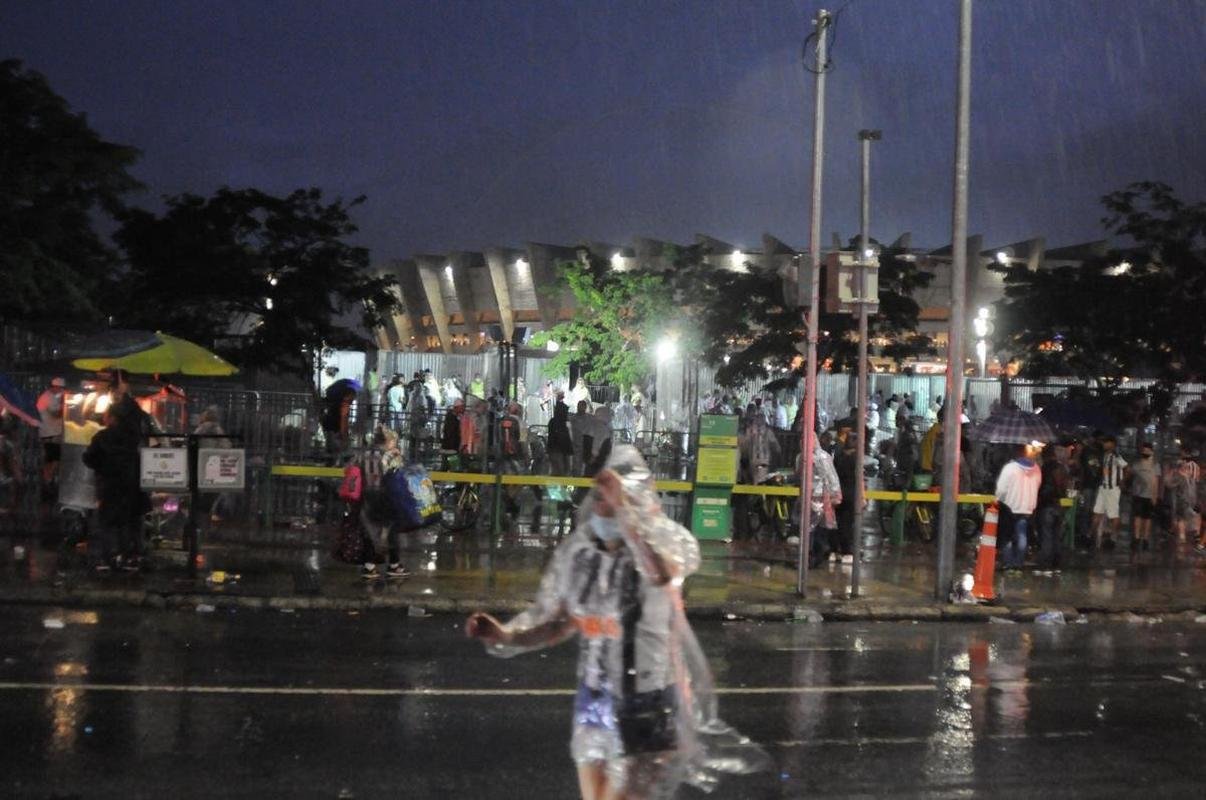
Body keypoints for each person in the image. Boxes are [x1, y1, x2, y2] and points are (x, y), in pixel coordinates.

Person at [465, 447, 766, 799]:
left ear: (636, 503)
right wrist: (505, 635)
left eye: (610, 499)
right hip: (594, 700)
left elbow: (662, 574)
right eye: (599, 499)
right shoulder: (581, 556)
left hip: (650, 702)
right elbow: (560, 622)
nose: (600, 506)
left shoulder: (664, 542)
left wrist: (625, 513)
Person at [82, 402, 148, 573]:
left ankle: (108, 557)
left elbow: (88, 458)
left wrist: (103, 467)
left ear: (113, 417)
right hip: (132, 486)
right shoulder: (135, 437)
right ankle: (129, 558)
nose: (103, 417)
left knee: (107, 522)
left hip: (110, 485)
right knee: (129, 521)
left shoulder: (103, 437)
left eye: (106, 414)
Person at [358, 426, 409, 580]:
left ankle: (369, 566)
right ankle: (394, 565)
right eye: (394, 442)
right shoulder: (390, 456)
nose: (395, 445)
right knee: (391, 530)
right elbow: (398, 475)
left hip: (367, 496)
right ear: (387, 442)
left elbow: (349, 469)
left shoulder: (363, 454)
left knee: (370, 531)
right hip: (386, 497)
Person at [995, 442, 1043, 572]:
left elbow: (1001, 490)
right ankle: (1018, 563)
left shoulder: (1010, 468)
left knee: (1007, 536)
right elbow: (1038, 486)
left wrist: (998, 499)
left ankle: (1009, 562)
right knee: (1022, 535)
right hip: (1027, 508)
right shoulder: (1037, 469)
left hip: (1009, 507)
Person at [1035, 439, 1071, 573]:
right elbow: (1064, 485)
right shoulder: (1061, 467)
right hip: (1058, 504)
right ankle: (1057, 561)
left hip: (1046, 505)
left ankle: (1045, 562)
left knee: (1046, 535)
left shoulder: (1044, 468)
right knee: (1056, 534)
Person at [1091, 435, 1127, 550]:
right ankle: (1093, 537)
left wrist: (1122, 481)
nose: (1104, 445)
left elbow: (1127, 468)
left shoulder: (1116, 456)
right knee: (1097, 512)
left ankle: (1112, 538)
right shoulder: (1105, 456)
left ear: (1112, 444)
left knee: (1113, 515)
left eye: (1106, 443)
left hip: (1112, 489)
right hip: (1104, 488)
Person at [36, 377, 67, 492]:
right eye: (59, 388)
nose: (61, 390)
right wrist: (64, 405)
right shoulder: (46, 397)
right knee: (51, 457)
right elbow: (55, 414)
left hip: (56, 431)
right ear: (54, 387)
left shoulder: (58, 395)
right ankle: (47, 479)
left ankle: (49, 479)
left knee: (55, 457)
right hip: (49, 432)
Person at [1127, 442, 1159, 554]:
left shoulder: (1155, 465)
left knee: (1147, 519)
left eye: (1147, 450)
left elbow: (1156, 481)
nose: (1145, 452)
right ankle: (1136, 538)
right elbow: (1129, 474)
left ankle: (1145, 539)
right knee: (1137, 517)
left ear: (1151, 452)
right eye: (1143, 450)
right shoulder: (1137, 464)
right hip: (1138, 495)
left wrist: (1155, 496)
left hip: (1149, 496)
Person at [548, 393, 575, 477]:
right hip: (562, 450)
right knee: (562, 472)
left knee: (555, 471)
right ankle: (559, 489)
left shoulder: (552, 421)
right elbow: (568, 438)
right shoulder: (565, 423)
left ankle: (555, 489)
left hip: (553, 449)